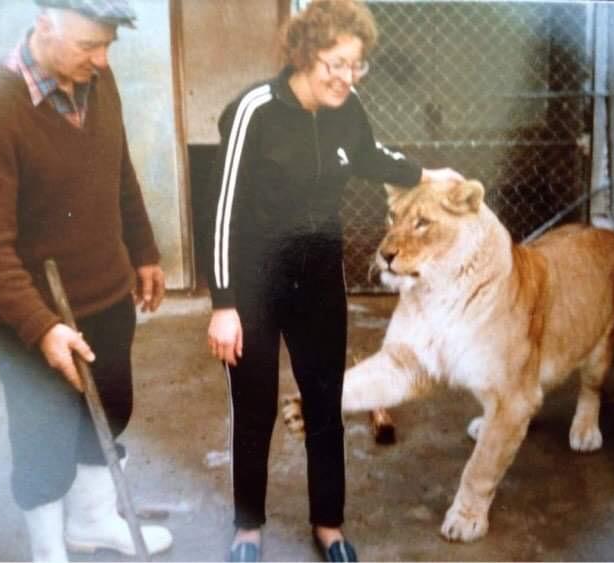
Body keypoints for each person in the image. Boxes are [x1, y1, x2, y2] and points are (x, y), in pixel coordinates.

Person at [204, 1, 464, 561]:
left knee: (326, 403)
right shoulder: (254, 111)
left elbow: (368, 155)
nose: (346, 77)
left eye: (356, 64)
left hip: (318, 278)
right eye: (334, 63)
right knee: (254, 407)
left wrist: (424, 173)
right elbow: (222, 211)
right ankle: (247, 528)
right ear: (302, 55)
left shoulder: (347, 106)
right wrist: (223, 303)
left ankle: (329, 525)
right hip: (253, 284)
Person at [0, 1, 172, 560]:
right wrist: (43, 328)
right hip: (32, 316)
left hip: (104, 294)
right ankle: (49, 551)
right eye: (88, 46)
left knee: (112, 407)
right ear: (44, 24)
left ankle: (93, 522)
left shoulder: (97, 79)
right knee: (41, 440)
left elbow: (118, 169)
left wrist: (145, 251)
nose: (101, 61)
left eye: (108, 46)